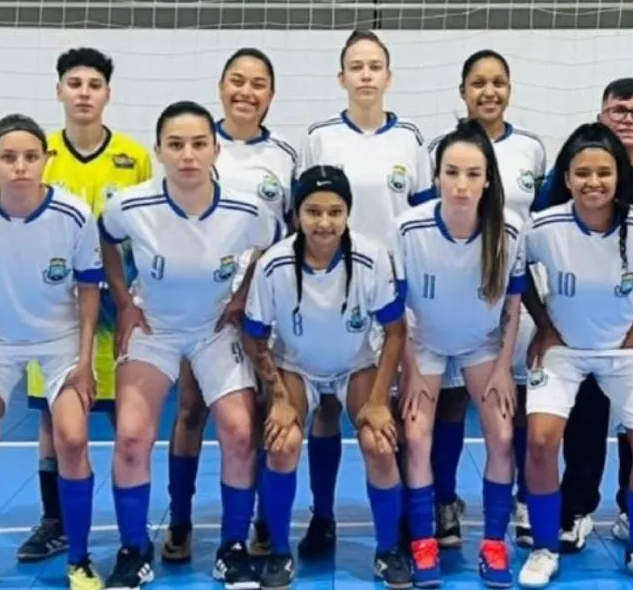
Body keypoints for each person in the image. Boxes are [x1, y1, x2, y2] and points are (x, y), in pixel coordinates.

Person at [98, 101, 279, 589]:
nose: (188, 155)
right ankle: (134, 550)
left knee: (241, 433)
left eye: (199, 143)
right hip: (154, 329)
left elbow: (273, 246)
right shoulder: (129, 205)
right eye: (175, 145)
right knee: (133, 436)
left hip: (215, 329)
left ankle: (233, 548)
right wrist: (123, 299)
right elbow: (105, 241)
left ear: (215, 148)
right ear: (158, 150)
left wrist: (242, 296)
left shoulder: (246, 208)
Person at [0, 114, 105, 590]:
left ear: (45, 161)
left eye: (30, 157)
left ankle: (79, 559)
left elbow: (89, 290)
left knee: (73, 440)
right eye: (9, 157)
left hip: (59, 344)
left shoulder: (74, 214)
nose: (20, 166)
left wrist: (84, 361)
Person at [533, 78, 633, 552]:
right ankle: (577, 509)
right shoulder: (564, 184)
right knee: (582, 422)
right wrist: (546, 325)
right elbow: (533, 249)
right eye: (618, 110)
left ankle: (632, 515)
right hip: (577, 322)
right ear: (602, 117)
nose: (628, 118)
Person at [296, 28, 434, 558]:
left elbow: (422, 220)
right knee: (326, 409)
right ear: (342, 77)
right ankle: (323, 516)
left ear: (389, 76)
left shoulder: (411, 140)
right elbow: (307, 213)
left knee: (388, 412)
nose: (366, 75)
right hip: (330, 290)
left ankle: (398, 520)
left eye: (375, 66)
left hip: (392, 293)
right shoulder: (320, 137)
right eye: (356, 66)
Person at [242, 165, 411, 589]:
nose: (324, 222)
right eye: (313, 211)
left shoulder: (371, 258)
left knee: (380, 442)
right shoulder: (275, 264)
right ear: (297, 214)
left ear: (347, 213)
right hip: (296, 365)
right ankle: (280, 551)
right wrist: (278, 396)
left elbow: (395, 332)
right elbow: (255, 337)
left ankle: (388, 548)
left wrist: (377, 400)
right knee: (282, 444)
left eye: (335, 211)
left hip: (354, 363)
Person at [161, 47, 298, 565]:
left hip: (263, 306)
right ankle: (179, 520)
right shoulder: (199, 144)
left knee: (263, 410)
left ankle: (259, 518)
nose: (247, 91)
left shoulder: (284, 155)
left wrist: (255, 295)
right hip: (203, 308)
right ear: (221, 87)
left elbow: (290, 233)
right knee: (192, 408)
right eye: (237, 81)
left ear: (271, 94)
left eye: (258, 83)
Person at [19, 46, 153, 564]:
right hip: (53, 313)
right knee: (54, 423)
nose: (83, 93)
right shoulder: (37, 153)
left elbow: (146, 236)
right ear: (59, 91)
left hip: (119, 307)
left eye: (93, 85)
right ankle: (55, 520)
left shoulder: (135, 157)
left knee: (129, 419)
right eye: (74, 83)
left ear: (107, 94)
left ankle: (130, 530)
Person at [394, 118, 526, 588]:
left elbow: (512, 303)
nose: (462, 185)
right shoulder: (407, 229)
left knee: (504, 435)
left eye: (473, 174)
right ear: (436, 176)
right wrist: (409, 370)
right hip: (423, 344)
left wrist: (506, 369)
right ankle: (423, 543)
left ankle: (493, 544)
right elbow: (399, 309)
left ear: (488, 178)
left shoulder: (509, 230)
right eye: (452, 173)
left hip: (482, 345)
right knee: (414, 437)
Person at [426, 49, 546, 549]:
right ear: (462, 91)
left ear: (510, 89)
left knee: (510, 402)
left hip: (509, 303)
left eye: (498, 82)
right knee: (449, 404)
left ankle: (519, 497)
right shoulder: (440, 147)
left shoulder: (532, 151)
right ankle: (445, 500)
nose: (488, 91)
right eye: (478, 82)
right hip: (451, 303)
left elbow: (541, 227)